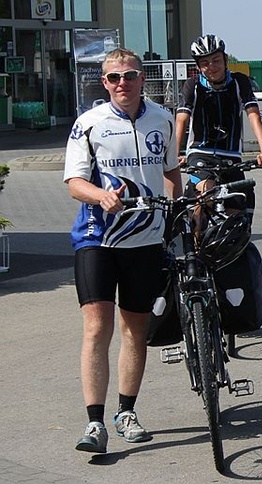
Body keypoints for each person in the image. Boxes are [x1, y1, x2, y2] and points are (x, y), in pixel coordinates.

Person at [64, 48, 183, 453]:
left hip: (146, 240)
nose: (122, 84)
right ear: (104, 82)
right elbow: (74, 182)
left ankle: (126, 412)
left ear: (142, 78)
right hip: (98, 238)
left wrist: (172, 214)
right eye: (114, 78)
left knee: (135, 329)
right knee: (98, 327)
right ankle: (94, 423)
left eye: (129, 76)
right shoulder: (89, 123)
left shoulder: (163, 119)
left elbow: (171, 173)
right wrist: (100, 196)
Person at [176, 34, 262, 217]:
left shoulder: (239, 82)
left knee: (239, 209)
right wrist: (174, 154)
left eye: (216, 60)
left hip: (230, 155)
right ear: (198, 67)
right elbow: (181, 119)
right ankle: (196, 242)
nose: (211, 67)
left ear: (225, 59)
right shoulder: (192, 85)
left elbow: (253, 115)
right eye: (205, 63)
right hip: (200, 153)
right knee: (207, 195)